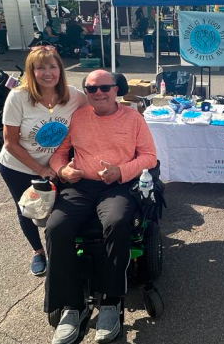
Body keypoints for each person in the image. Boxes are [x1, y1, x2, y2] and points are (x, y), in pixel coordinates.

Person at [45, 70, 157, 344]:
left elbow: (149, 157)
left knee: (117, 224)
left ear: (116, 89)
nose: (98, 93)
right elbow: (60, 153)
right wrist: (62, 170)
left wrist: (121, 171)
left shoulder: (133, 118)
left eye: (105, 87)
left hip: (118, 186)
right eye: (92, 89)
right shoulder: (78, 116)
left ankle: (111, 300)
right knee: (56, 227)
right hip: (81, 185)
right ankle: (73, 305)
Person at [0, 47, 87, 276]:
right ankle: (38, 252)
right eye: (40, 68)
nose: (48, 73)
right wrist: (41, 170)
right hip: (19, 165)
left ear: (60, 69)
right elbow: (10, 143)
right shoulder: (18, 97)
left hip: (57, 165)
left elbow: (96, 111)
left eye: (52, 66)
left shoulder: (73, 95)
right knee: (29, 209)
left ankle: (60, 248)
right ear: (31, 71)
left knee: (60, 209)